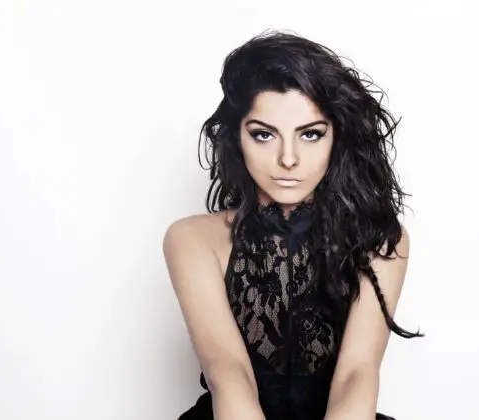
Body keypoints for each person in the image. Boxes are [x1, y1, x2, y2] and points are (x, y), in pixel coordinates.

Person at [163, 29, 423, 420]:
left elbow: (357, 375)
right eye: (264, 135)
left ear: (337, 138)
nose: (288, 159)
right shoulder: (192, 239)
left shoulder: (381, 240)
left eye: (311, 134)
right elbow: (228, 376)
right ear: (237, 138)